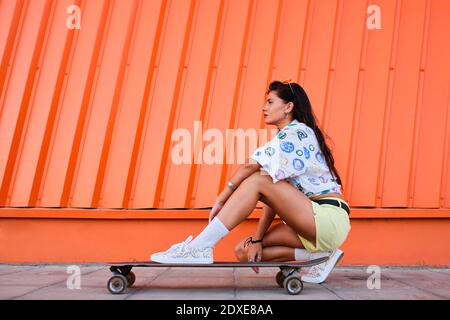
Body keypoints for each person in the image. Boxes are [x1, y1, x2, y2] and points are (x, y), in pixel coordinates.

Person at [150, 80, 351, 284]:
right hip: (309, 220)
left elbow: (250, 167)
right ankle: (320, 257)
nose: (264, 108)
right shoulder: (284, 139)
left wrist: (222, 197)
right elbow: (273, 199)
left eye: (271, 102)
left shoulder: (298, 133)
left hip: (327, 217)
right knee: (244, 251)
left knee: (257, 179)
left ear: (288, 107)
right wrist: (256, 239)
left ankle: (200, 247)